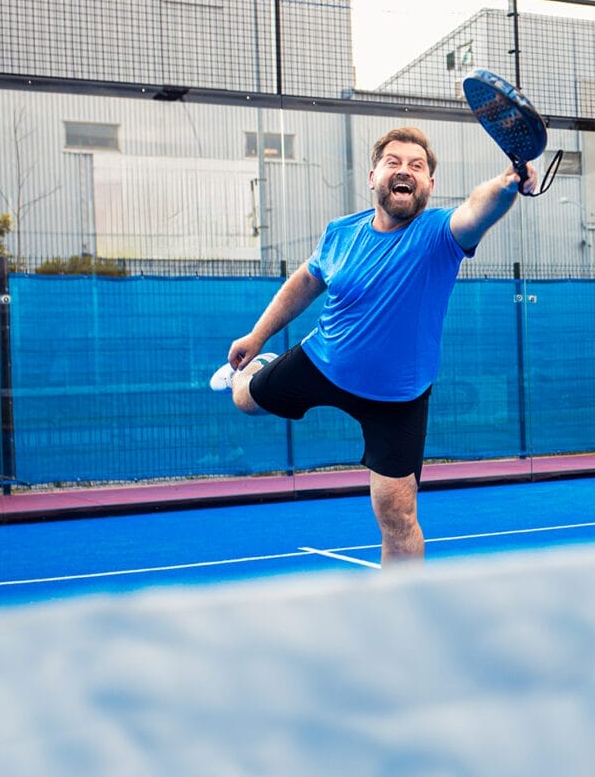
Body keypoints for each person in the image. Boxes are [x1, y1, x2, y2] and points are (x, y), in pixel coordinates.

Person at [210, 126, 535, 566]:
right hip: (322, 361)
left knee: (397, 516)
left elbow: (478, 209)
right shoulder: (340, 233)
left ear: (430, 184)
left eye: (416, 166)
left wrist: (509, 182)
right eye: (393, 162)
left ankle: (400, 607)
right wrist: (257, 336)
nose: (405, 170)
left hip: (397, 397)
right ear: (372, 177)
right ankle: (251, 372)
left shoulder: (440, 234)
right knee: (244, 400)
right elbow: (306, 281)